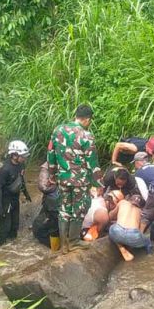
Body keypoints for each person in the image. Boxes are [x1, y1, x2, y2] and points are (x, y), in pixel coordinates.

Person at [47, 104, 100, 254]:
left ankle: (64, 245)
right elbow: (92, 163)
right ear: (87, 120)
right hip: (80, 181)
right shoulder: (87, 136)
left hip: (62, 178)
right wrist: (97, 183)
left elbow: (50, 154)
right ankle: (74, 241)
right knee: (78, 209)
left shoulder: (57, 130)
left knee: (64, 210)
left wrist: (52, 176)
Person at [0, 140, 32, 246]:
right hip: (5, 200)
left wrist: (26, 194)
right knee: (5, 227)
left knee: (15, 225)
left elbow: (21, 180)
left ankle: (12, 247)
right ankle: (0, 247)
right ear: (14, 155)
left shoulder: (21, 165)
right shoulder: (5, 170)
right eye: (22, 156)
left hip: (15, 199)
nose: (24, 158)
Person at [108, 194, 152, 261]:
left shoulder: (122, 202)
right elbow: (140, 229)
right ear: (141, 206)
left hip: (118, 231)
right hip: (133, 235)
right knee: (148, 242)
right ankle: (150, 256)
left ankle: (121, 248)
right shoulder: (141, 212)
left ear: (129, 200)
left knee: (112, 228)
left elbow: (110, 216)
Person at [33, 161, 59, 248]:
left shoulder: (71, 161)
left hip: (59, 201)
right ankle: (54, 249)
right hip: (52, 203)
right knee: (54, 227)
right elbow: (43, 187)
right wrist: (57, 184)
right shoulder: (48, 166)